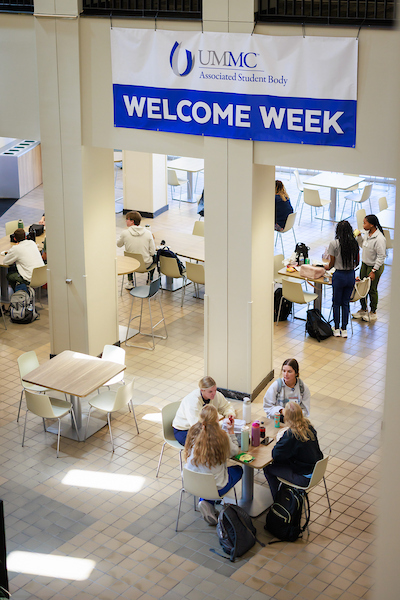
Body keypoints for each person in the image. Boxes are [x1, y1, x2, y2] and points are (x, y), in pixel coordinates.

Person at [184, 405, 243, 525]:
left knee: (208, 475)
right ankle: (207, 501)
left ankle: (205, 502)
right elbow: (234, 451)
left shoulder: (194, 432)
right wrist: (231, 431)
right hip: (215, 488)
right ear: (217, 419)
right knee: (238, 470)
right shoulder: (222, 436)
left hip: (190, 483)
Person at [264, 401, 323, 500]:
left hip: (304, 477)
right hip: (316, 470)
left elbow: (275, 455)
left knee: (268, 468)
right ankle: (285, 491)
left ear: (286, 417)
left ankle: (279, 500)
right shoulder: (309, 426)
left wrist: (280, 439)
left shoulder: (291, 434)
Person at [172, 376, 236, 446]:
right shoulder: (193, 402)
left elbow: (226, 406)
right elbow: (198, 426)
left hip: (205, 428)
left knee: (223, 438)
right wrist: (221, 423)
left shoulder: (216, 395)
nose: (214, 393)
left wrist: (229, 414)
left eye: (215, 390)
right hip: (186, 430)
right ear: (202, 390)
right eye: (210, 391)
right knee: (208, 446)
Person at [326, 220, 359, 337]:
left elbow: (331, 263)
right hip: (350, 275)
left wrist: (325, 267)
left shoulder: (334, 244)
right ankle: (344, 329)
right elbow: (357, 262)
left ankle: (336, 328)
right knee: (345, 303)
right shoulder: (354, 243)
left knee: (336, 302)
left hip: (339, 276)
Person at [353, 214, 386, 322]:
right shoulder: (367, 233)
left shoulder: (379, 239)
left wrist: (373, 271)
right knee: (362, 286)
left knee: (372, 289)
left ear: (371, 225)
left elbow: (381, 257)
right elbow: (363, 246)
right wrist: (358, 237)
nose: (363, 225)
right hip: (365, 264)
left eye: (364, 223)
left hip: (374, 266)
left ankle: (373, 311)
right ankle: (363, 308)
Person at [117, 211, 156, 290]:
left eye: (127, 219)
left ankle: (130, 282)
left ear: (132, 221)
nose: (125, 221)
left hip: (131, 266)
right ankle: (150, 280)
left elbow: (118, 245)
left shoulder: (125, 233)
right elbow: (152, 252)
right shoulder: (148, 233)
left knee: (128, 258)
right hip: (146, 265)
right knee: (155, 257)